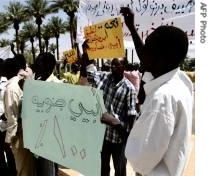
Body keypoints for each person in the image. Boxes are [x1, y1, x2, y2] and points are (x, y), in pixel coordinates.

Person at [120, 7, 193, 176]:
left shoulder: (162, 98)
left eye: (148, 49)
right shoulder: (181, 81)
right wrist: (131, 27)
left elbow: (141, 158)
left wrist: (118, 126)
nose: (142, 53)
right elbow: (147, 58)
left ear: (159, 58)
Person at [79, 42, 137, 176]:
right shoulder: (105, 77)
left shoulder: (129, 89)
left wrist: (126, 136)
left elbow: (131, 118)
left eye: (117, 64)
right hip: (103, 137)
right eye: (112, 64)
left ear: (124, 67)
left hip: (119, 140)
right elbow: (87, 74)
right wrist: (86, 54)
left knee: (120, 171)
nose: (113, 66)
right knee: (102, 169)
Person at [3, 56, 36, 176]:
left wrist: (9, 139)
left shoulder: (10, 89)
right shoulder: (20, 83)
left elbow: (13, 117)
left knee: (22, 169)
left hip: (18, 135)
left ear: (7, 70)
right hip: (26, 132)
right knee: (27, 167)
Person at [32, 52, 62, 176]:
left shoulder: (57, 85)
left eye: (39, 63)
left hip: (50, 140)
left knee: (48, 171)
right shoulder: (36, 83)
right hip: (36, 137)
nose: (36, 66)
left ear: (48, 65)